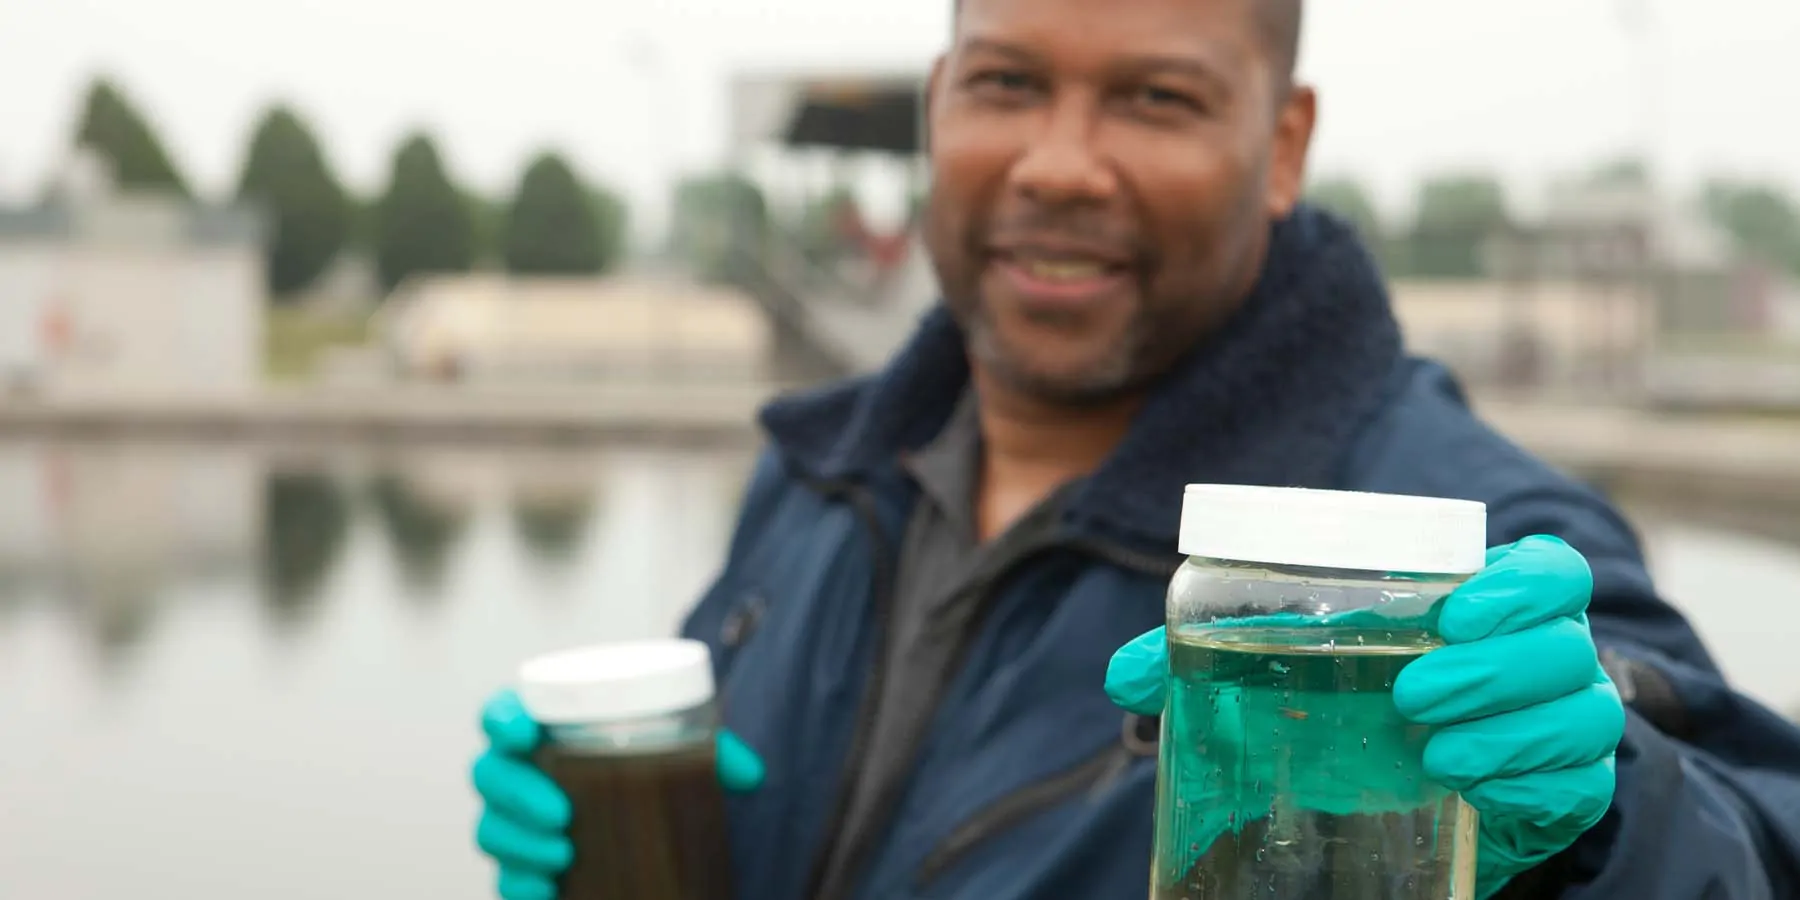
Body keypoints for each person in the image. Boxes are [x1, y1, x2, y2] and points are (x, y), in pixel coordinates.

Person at [470, 0, 1800, 897]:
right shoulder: (821, 471)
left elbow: (1755, 834)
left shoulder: (1455, 534)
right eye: (1007, 83)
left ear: (1281, 147)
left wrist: (1604, 827)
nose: (1057, 163)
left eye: (1153, 99)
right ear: (940, 105)